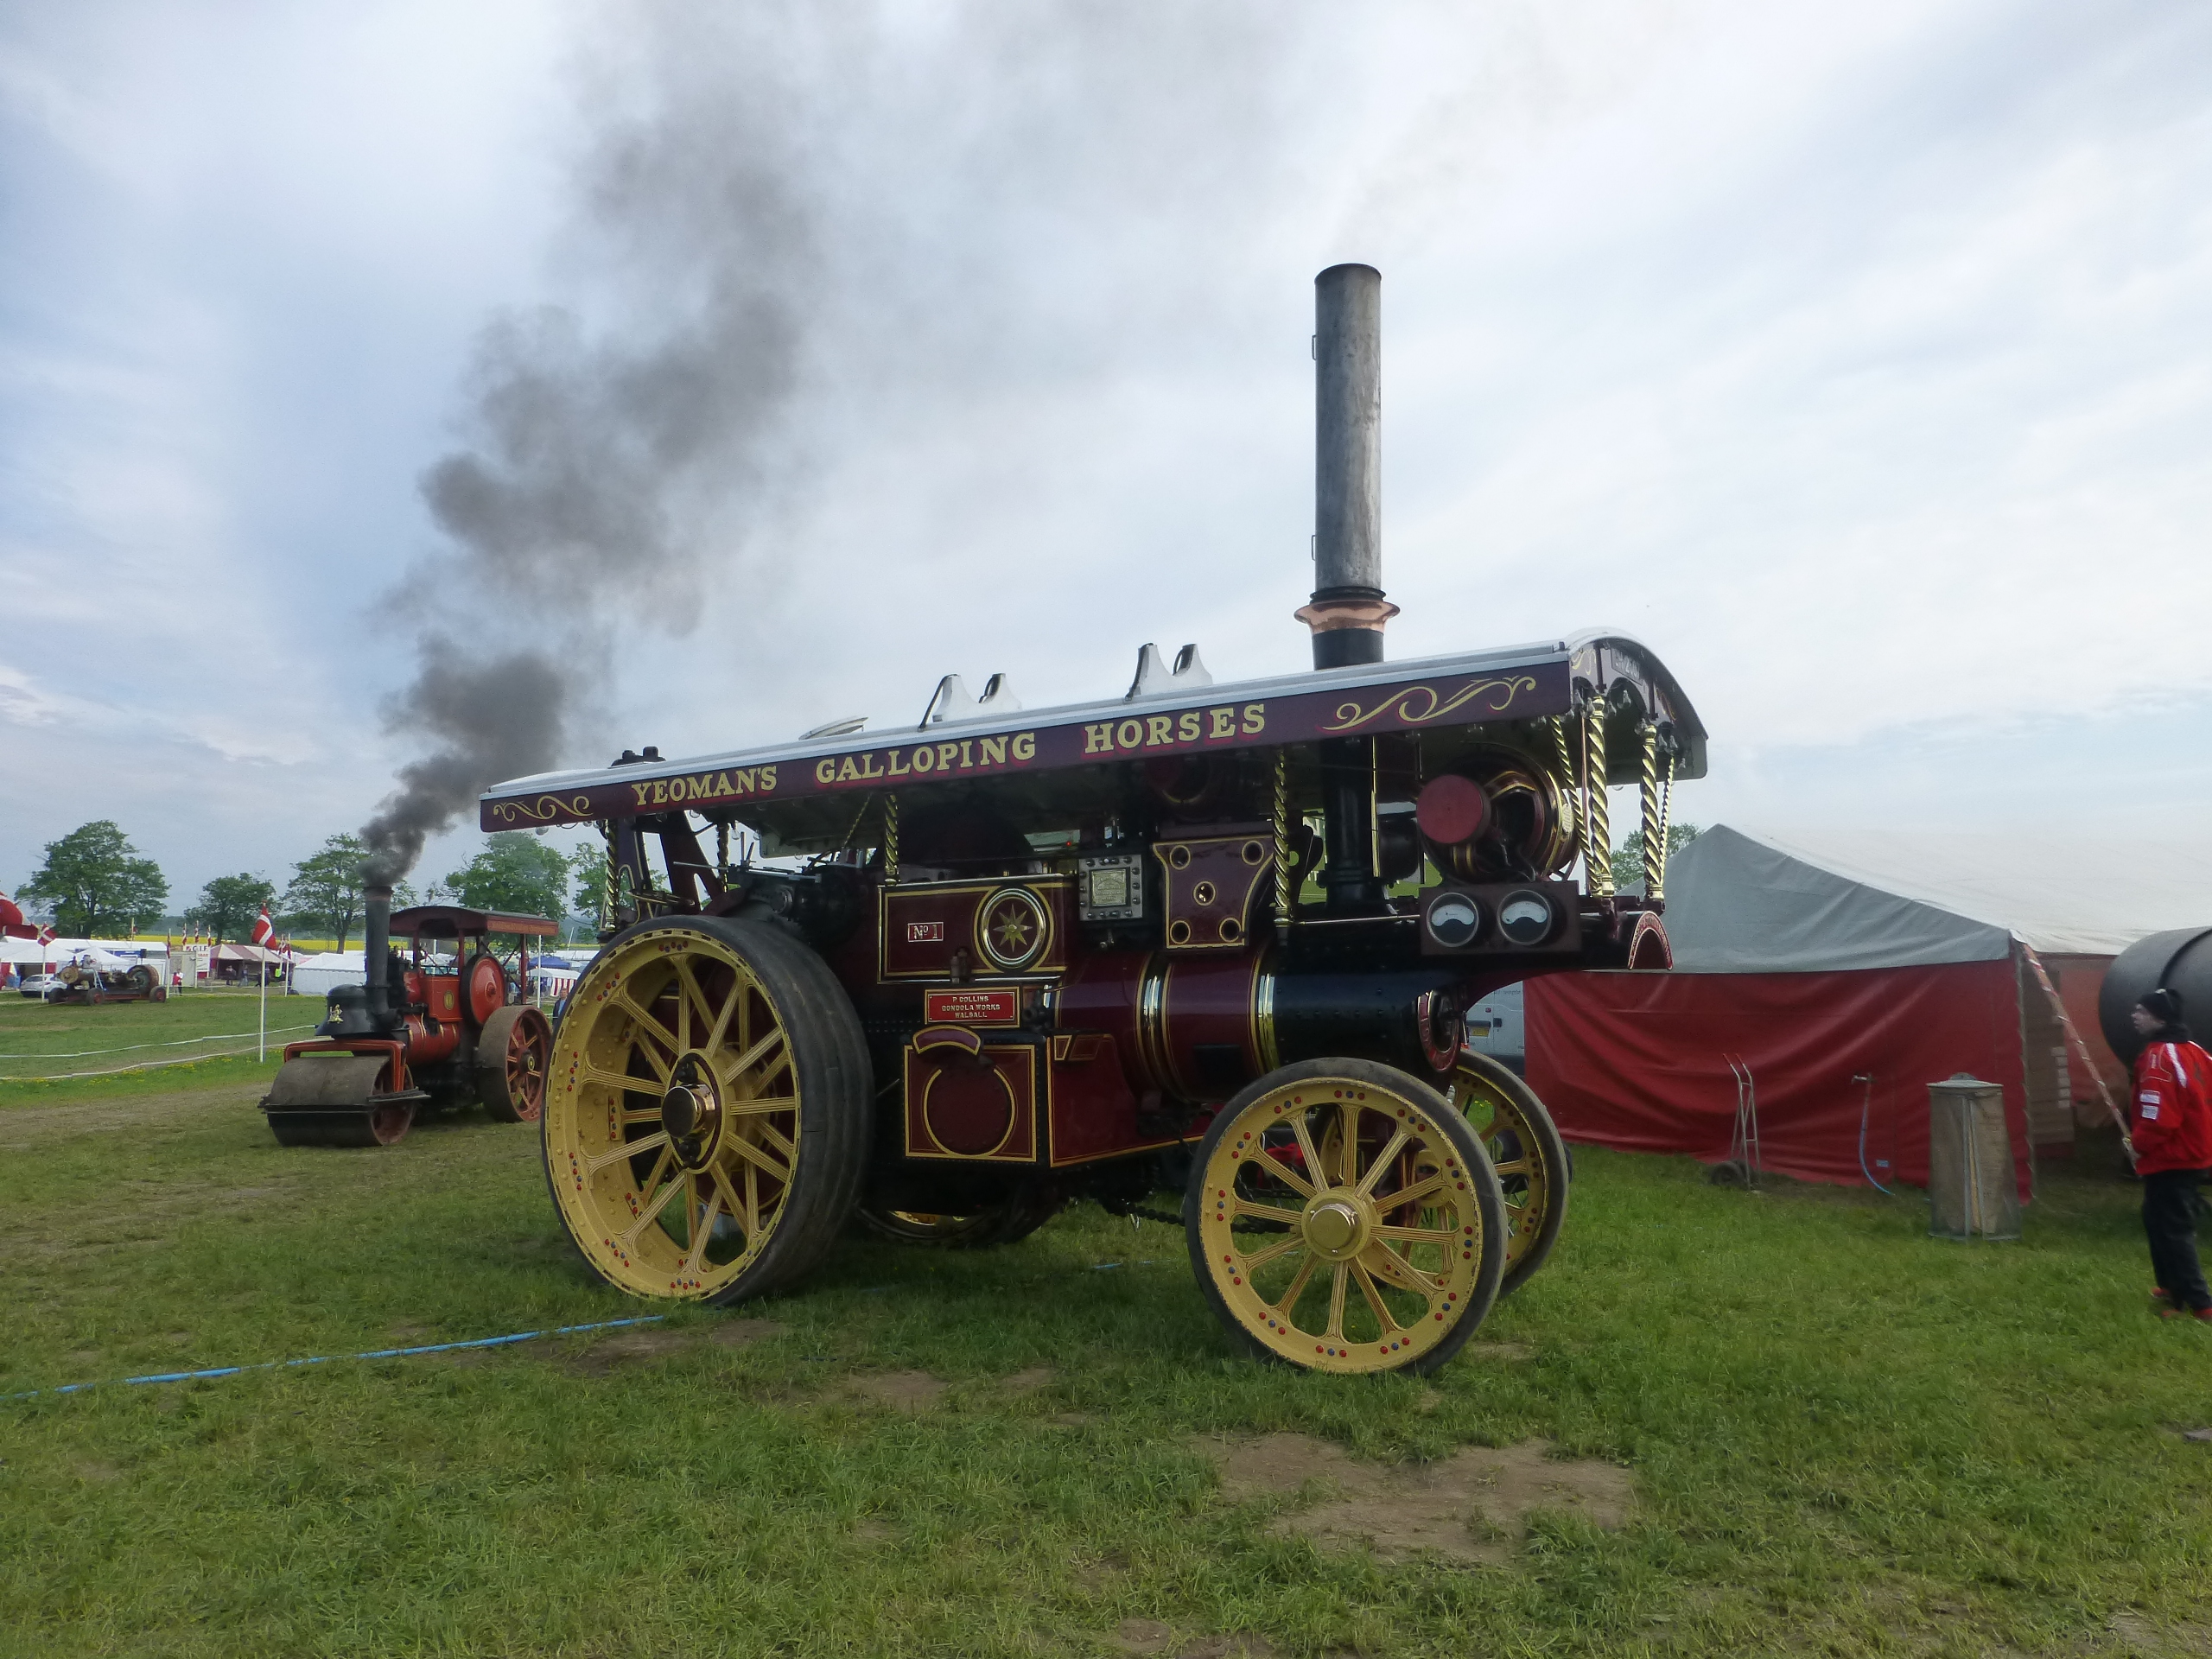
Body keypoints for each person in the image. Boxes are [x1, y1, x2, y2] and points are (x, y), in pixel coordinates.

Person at [2130, 988, 2212, 1320]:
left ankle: (2200, 1304)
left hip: (2174, 1156)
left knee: (2173, 1228)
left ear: (2160, 1018)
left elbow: (2158, 1116)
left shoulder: (2160, 1058)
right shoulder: (2194, 1050)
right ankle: (2170, 1285)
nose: (2134, 1016)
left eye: (2141, 1011)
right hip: (2191, 1150)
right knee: (2155, 1218)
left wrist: (2137, 1144)